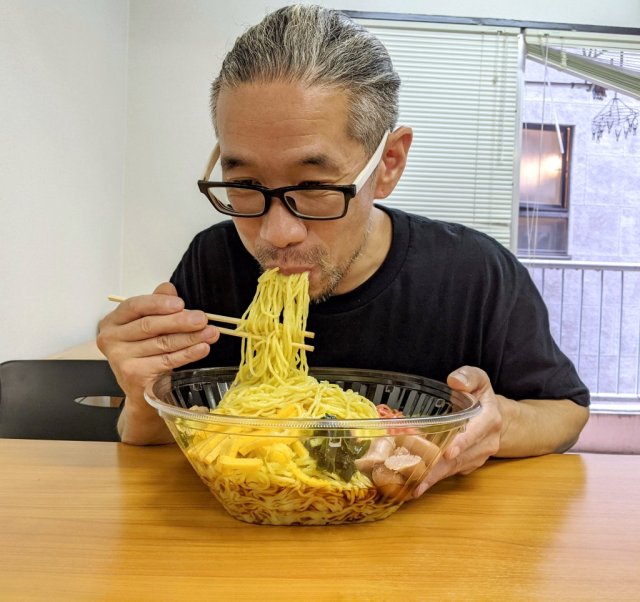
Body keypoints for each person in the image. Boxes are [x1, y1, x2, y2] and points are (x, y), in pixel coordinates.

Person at [97, 4, 589, 496]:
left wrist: (500, 421)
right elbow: (161, 439)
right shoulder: (212, 260)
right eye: (244, 185)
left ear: (388, 163)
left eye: (313, 187)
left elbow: (567, 413)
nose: (276, 234)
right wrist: (140, 394)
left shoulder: (475, 272)